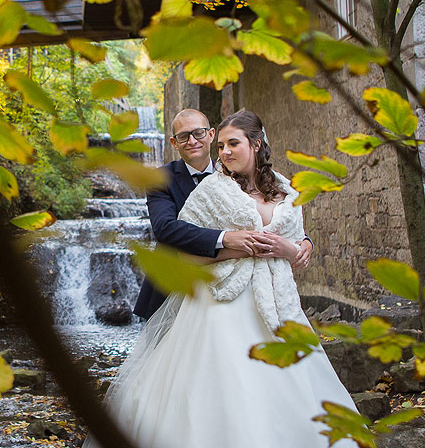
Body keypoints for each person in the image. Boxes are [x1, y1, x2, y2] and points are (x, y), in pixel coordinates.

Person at [63, 109, 418, 448]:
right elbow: (173, 244)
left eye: (230, 142)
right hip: (220, 310)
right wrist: (231, 247)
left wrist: (294, 248)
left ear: (255, 143)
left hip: (278, 313)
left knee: (298, 411)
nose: (221, 150)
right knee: (217, 411)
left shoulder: (285, 191)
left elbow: (297, 249)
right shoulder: (205, 189)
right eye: (216, 143)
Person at [133, 108, 312, 321]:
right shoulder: (160, 178)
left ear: (210, 135)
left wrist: (303, 241)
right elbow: (165, 229)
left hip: (238, 289)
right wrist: (226, 239)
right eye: (183, 136)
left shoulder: (241, 174)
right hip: (175, 285)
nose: (192, 141)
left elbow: (269, 215)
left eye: (198, 133)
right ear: (174, 142)